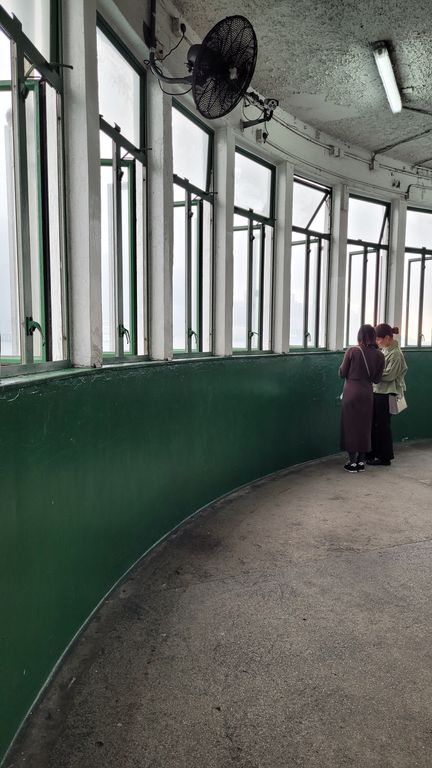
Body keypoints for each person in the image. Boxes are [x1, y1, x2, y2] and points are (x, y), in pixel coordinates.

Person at [339, 324, 385, 472]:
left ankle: (352, 462)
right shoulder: (380, 355)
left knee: (350, 426)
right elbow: (377, 379)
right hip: (367, 393)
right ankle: (361, 462)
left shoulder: (352, 351)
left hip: (351, 393)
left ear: (359, 336)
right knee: (365, 426)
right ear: (373, 337)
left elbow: (341, 372)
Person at [366, 324, 408, 466]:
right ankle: (374, 453)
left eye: (379, 339)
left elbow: (390, 375)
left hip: (387, 393)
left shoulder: (396, 354)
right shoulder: (385, 350)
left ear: (388, 338)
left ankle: (384, 457)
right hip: (379, 391)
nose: (377, 342)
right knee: (376, 424)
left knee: (382, 425)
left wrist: (372, 375)